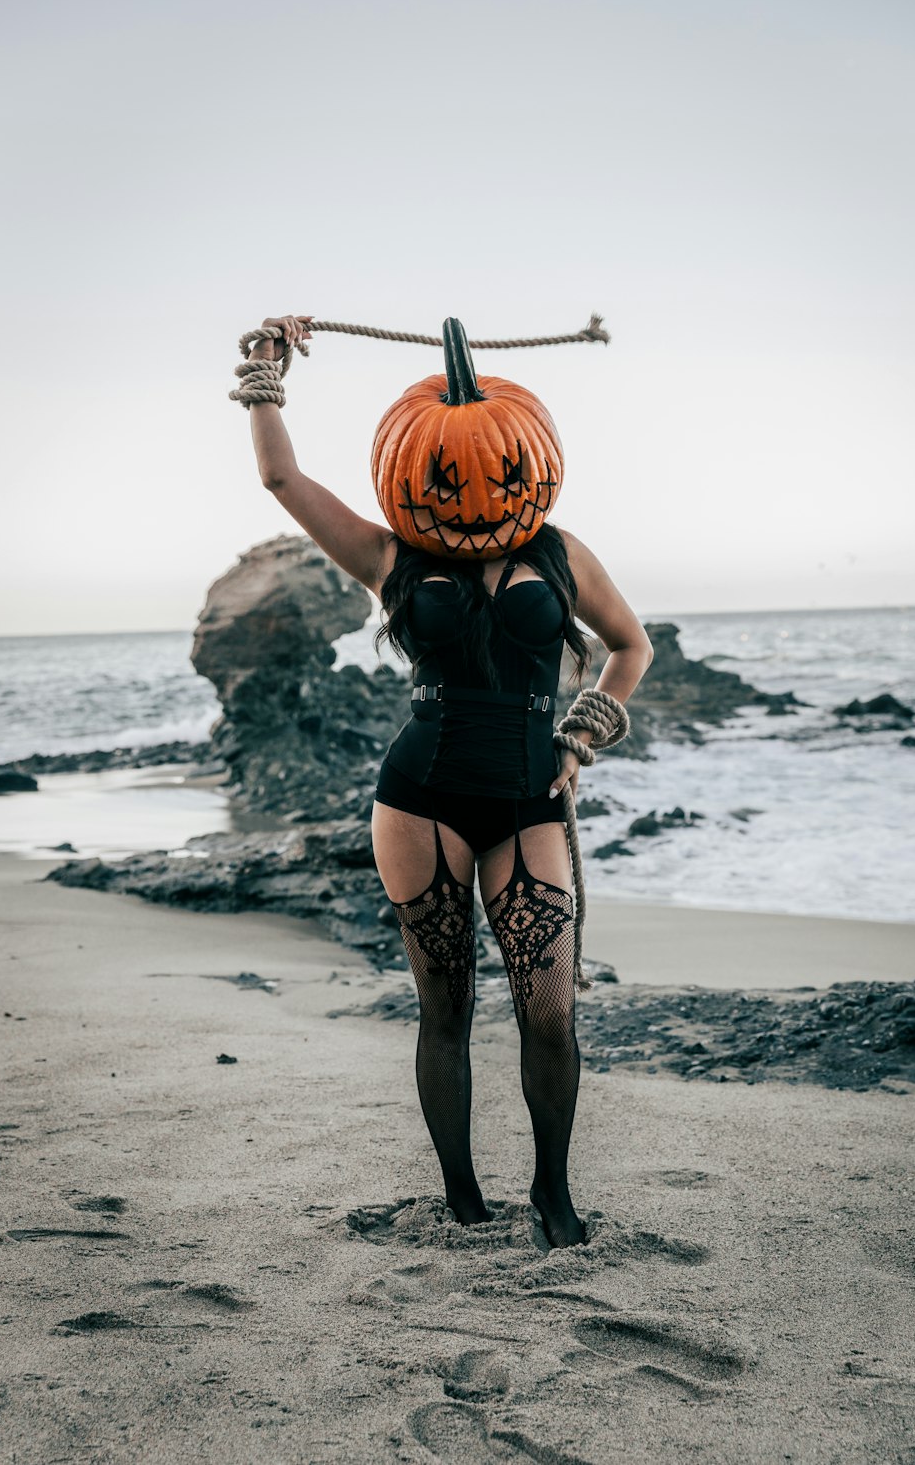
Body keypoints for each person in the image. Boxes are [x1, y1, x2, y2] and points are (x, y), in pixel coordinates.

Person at [244, 313, 653, 1247]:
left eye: (492, 470)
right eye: (443, 475)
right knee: (448, 1011)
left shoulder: (557, 551)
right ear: (411, 476)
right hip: (420, 799)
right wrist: (267, 374)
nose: (468, 491)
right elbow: (282, 479)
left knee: (550, 1011)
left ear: (529, 460)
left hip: (528, 799)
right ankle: (463, 1198)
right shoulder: (391, 558)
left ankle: (553, 1193)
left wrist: (584, 732)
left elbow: (631, 647)